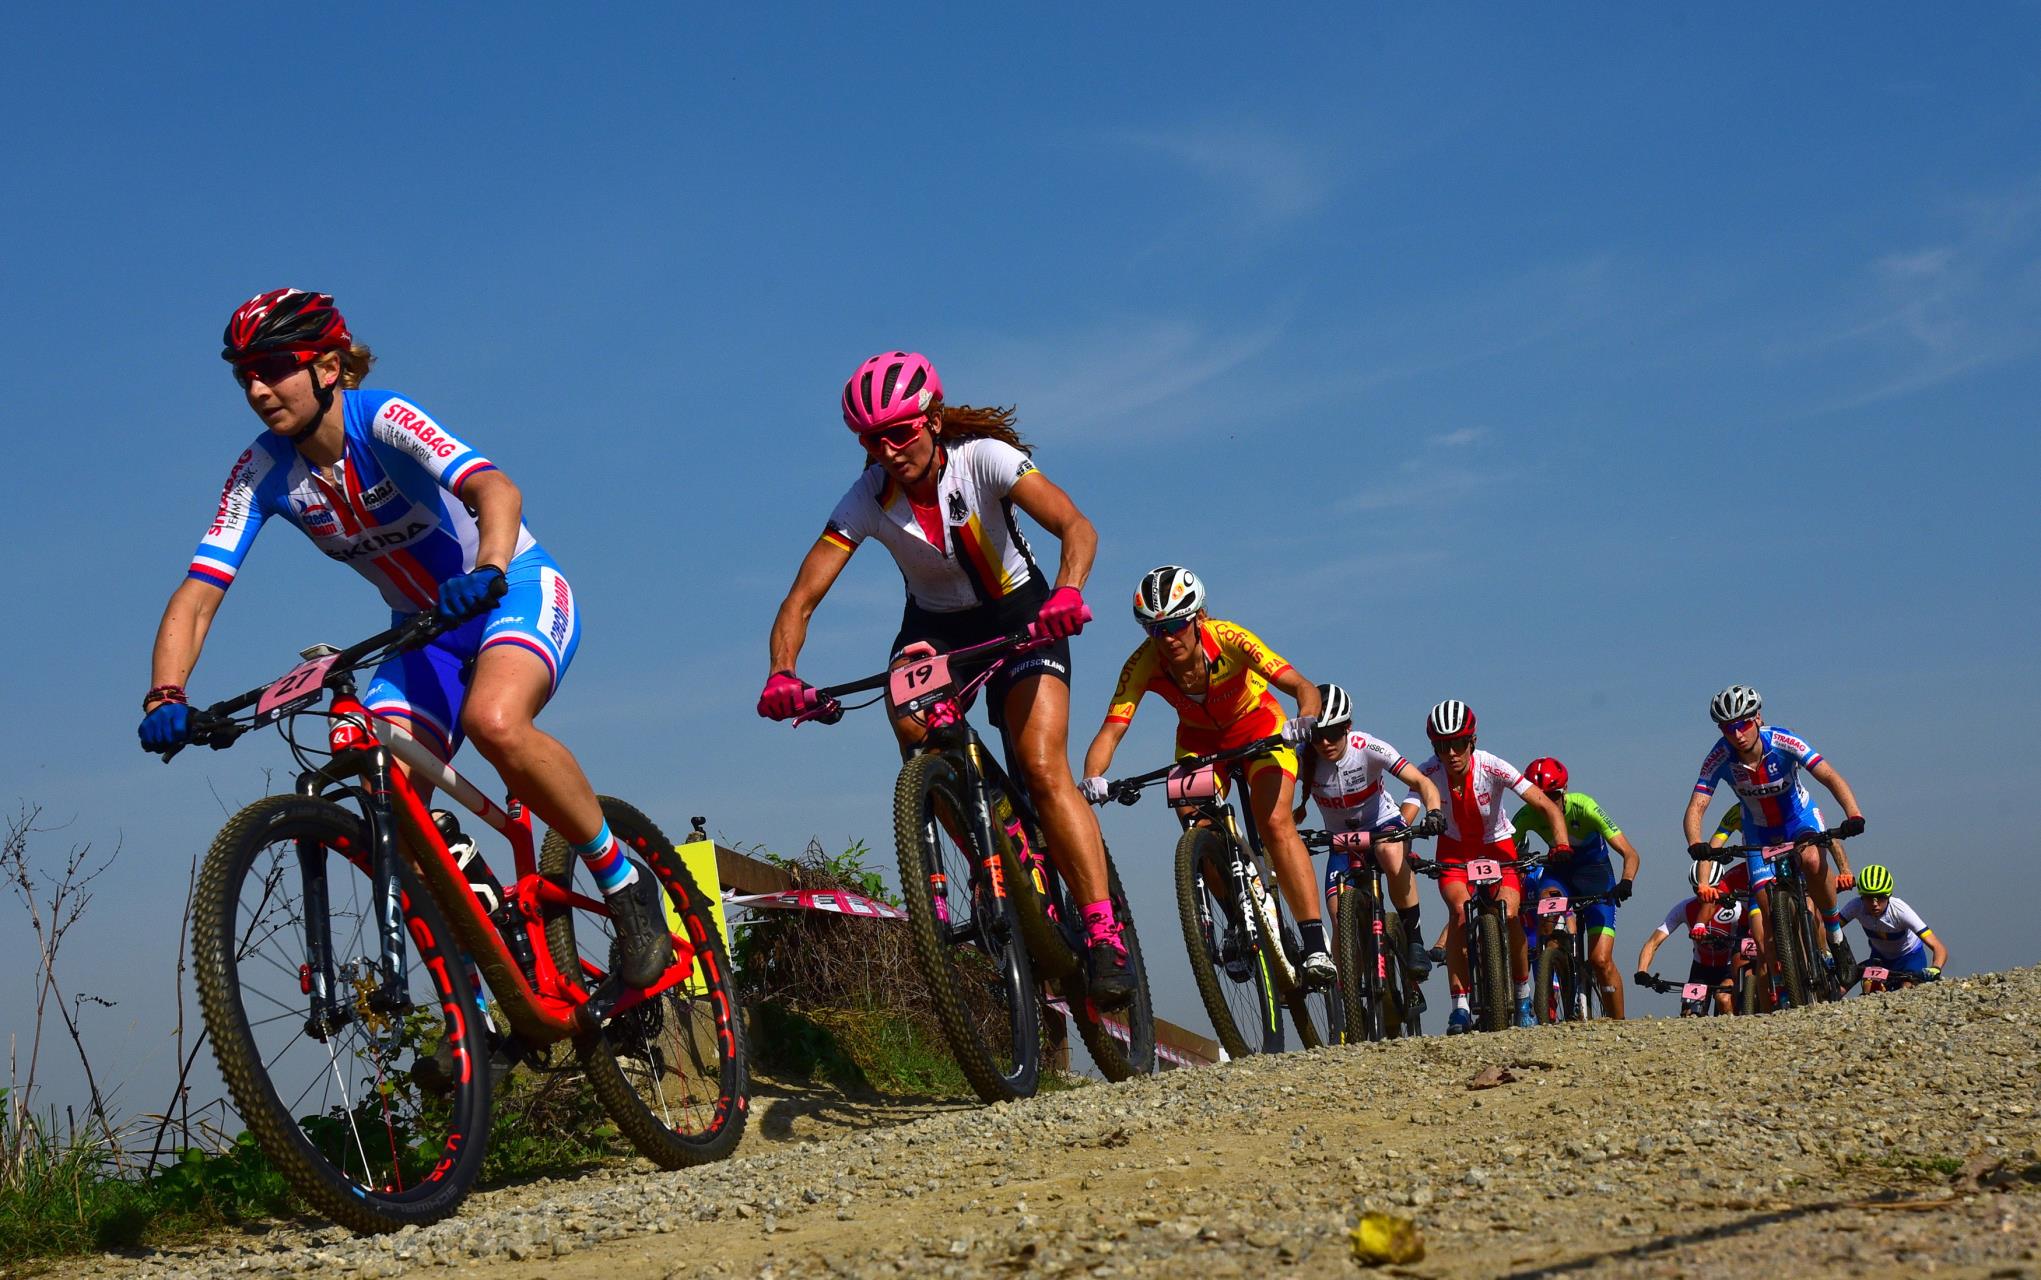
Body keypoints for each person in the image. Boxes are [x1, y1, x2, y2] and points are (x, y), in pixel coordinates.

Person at [138, 288, 672, 986]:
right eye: (245, 376)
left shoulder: (383, 417)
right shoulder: (262, 472)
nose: (258, 389)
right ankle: (493, 985)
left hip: (510, 590)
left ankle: (623, 882)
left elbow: (497, 491)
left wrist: (487, 566)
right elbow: (198, 596)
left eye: (273, 368)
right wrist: (165, 694)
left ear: (328, 367)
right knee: (388, 799)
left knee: (495, 721)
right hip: (422, 633)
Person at [757, 352, 1132, 1006]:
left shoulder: (982, 457)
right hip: (936, 630)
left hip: (1022, 614)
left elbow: (1076, 525)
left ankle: (1104, 935)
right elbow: (800, 600)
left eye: (900, 432)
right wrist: (781, 672)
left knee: (1041, 768)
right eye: (872, 440)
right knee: (906, 715)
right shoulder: (867, 498)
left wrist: (1067, 593)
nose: (888, 450)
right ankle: (986, 851)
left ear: (931, 421)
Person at [1079, 567, 1331, 985]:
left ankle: (1314, 941)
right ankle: (1237, 919)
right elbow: (1113, 728)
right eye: (1155, 630)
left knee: (1274, 822)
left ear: (1197, 618)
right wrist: (1093, 777)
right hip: (1200, 744)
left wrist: (1305, 719)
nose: (1168, 638)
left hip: (1259, 727)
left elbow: (1303, 686)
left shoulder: (1229, 637)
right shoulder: (1143, 662)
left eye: (1177, 624)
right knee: (1195, 823)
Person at [1403, 701, 1571, 1032]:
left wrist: (1562, 843)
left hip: (1498, 849)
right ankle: (1460, 1005)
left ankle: (1523, 996)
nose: (1450, 753)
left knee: (1509, 914)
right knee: (1459, 913)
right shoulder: (1428, 772)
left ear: (1472, 742)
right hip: (1454, 853)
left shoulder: (1492, 766)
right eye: (1441, 745)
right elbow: (1405, 814)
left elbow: (1545, 805)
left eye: (1458, 743)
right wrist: (1404, 847)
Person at [1683, 684, 1866, 975]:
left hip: (1798, 819)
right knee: (1767, 909)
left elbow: (1829, 775)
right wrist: (1695, 843)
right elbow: (1696, 806)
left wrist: (1853, 814)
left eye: (1742, 724)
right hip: (1759, 831)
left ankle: (1833, 931)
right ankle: (1792, 977)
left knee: (1812, 860)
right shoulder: (1719, 757)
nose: (1737, 734)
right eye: (1727, 728)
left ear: (1757, 718)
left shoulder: (1783, 741)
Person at [1291, 683, 1444, 977]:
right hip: (1341, 843)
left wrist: (1434, 812)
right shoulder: (1302, 756)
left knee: (1389, 851)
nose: (1325, 743)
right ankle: (1347, 995)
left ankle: (1414, 940)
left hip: (1382, 825)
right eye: (1317, 735)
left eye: (1334, 732)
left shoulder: (1368, 748)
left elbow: (1422, 782)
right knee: (1338, 916)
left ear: (1348, 727)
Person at [1510, 758, 1642, 1019]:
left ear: (1565, 790)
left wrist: (1626, 882)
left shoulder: (1585, 806)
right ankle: (1556, 966)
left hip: (1595, 876)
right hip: (1559, 874)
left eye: (1552, 796)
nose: (1545, 803)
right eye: (1538, 797)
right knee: (1546, 913)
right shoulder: (1526, 815)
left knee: (1600, 960)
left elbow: (1630, 853)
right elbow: (1507, 854)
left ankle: (1620, 1024)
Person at [1634, 863, 1750, 1016]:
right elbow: (1653, 942)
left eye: (1711, 891)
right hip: (1700, 969)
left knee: (1723, 1000)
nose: (1704, 897)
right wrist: (1642, 971)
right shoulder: (1685, 908)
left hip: (1727, 969)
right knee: (1689, 1015)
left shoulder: (1736, 908)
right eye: (1697, 890)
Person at [1839, 864, 1947, 991]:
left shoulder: (1900, 911)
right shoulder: (1856, 906)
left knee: (1906, 990)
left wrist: (1936, 968)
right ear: (1861, 896)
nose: (1875, 903)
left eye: (1880, 897)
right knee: (1869, 989)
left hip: (1910, 958)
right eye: (1869, 897)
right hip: (1880, 958)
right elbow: (1829, 928)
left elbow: (1939, 947)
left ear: (1889, 896)